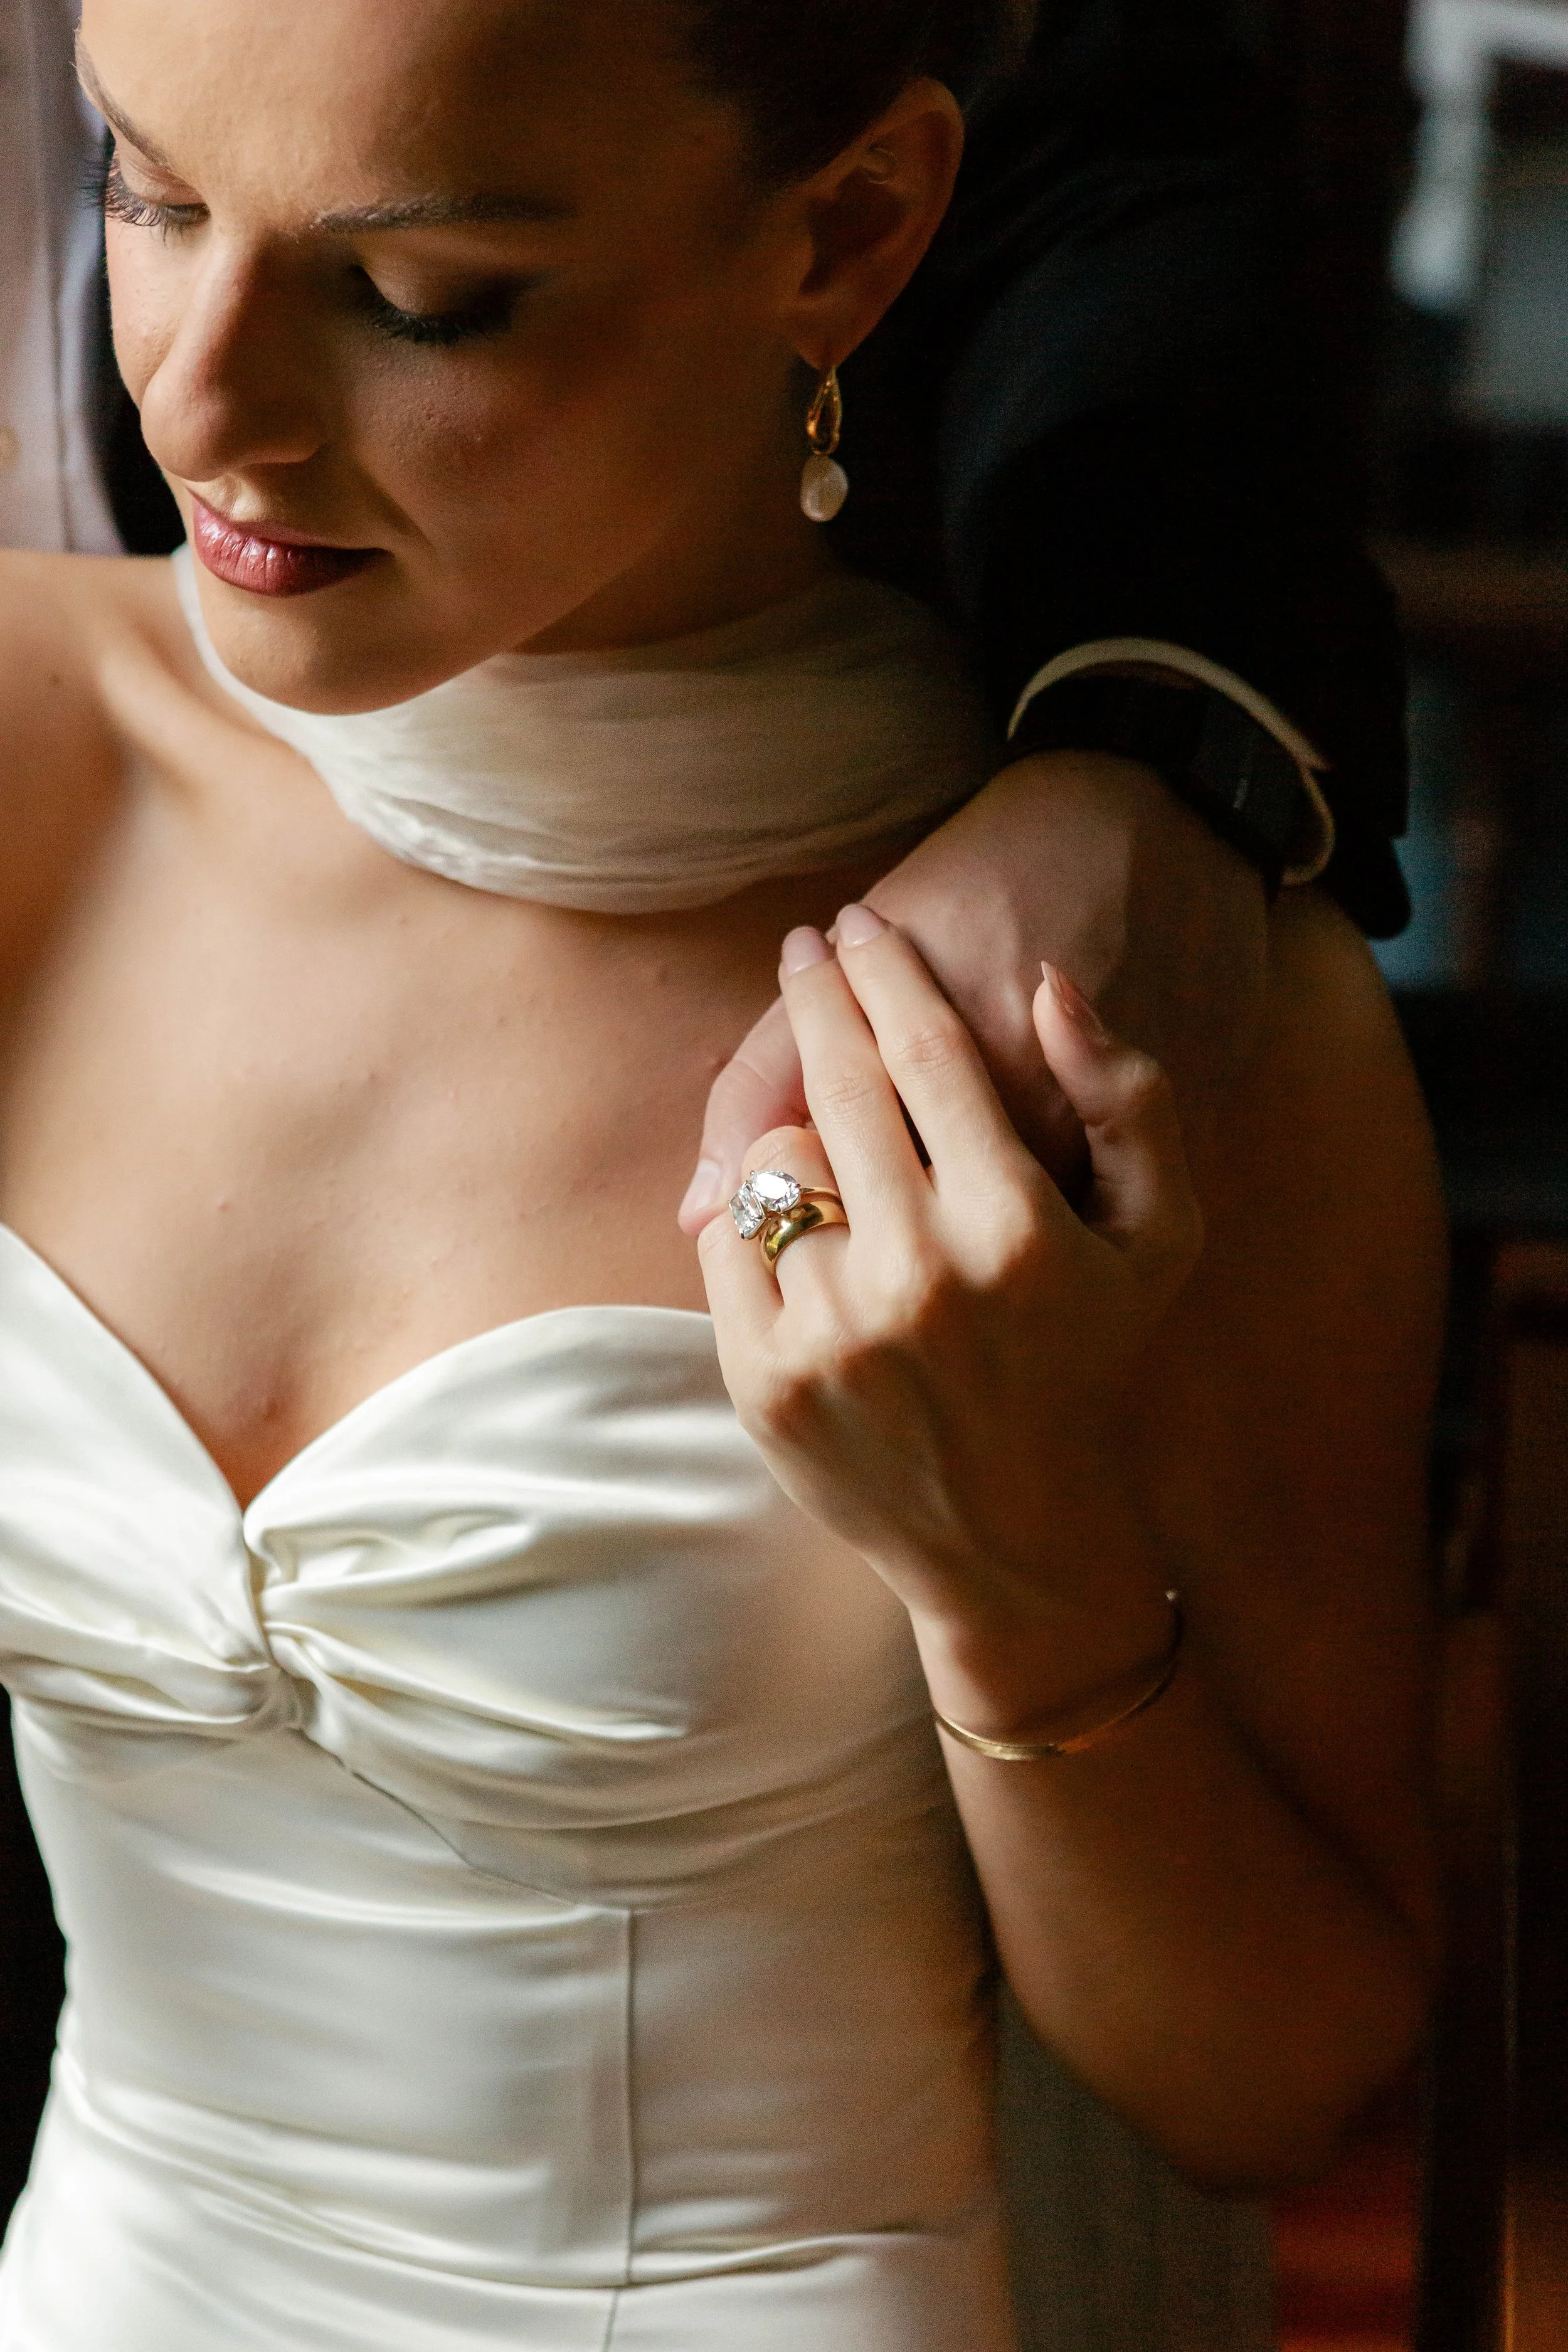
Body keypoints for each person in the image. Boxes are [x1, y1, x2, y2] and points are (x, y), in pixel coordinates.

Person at [0, 3, 1441, 2347]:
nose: (199, 407)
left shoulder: (1148, 1010)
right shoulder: (35, 753)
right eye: (148, 192)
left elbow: (1267, 2091)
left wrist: (1013, 1562)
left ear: (851, 233)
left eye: (423, 294)